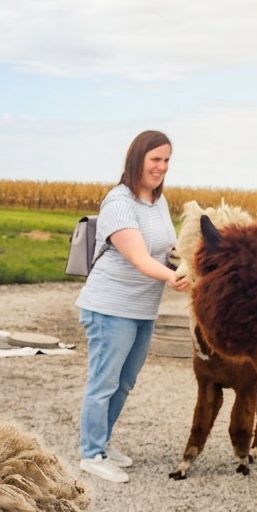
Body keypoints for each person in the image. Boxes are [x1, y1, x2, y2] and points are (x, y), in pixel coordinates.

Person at [75, 130, 191, 484]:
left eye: (167, 160)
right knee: (103, 381)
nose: (162, 167)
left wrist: (190, 260)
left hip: (142, 308)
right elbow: (140, 258)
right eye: (155, 159)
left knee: (124, 382)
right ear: (137, 159)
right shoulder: (118, 203)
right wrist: (173, 278)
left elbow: (169, 248)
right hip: (110, 307)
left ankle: (103, 442)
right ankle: (91, 454)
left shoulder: (159, 202)